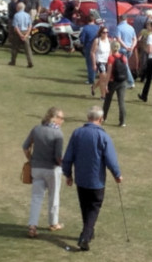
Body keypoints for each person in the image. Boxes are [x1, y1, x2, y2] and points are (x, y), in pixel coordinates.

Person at [61, 106, 122, 252]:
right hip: (97, 181)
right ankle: (85, 237)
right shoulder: (103, 136)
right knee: (94, 208)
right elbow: (111, 159)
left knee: (85, 207)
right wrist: (117, 174)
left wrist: (68, 174)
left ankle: (88, 232)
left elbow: (68, 157)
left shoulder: (77, 133)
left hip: (81, 179)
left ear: (88, 118)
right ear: (101, 119)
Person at [23, 107, 65, 238]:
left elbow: (25, 147)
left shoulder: (36, 129)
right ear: (55, 118)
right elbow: (58, 157)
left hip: (36, 169)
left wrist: (31, 159)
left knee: (36, 198)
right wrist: (64, 165)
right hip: (52, 170)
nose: (63, 121)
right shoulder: (58, 134)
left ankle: (32, 226)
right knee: (53, 196)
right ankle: (53, 223)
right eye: (62, 118)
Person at [103, 42, 129, 127]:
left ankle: (104, 117)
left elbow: (109, 72)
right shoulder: (124, 57)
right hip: (122, 81)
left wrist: (106, 84)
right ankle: (123, 121)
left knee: (107, 100)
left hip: (113, 81)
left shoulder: (111, 58)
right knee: (121, 101)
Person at [8, 1, 34, 67]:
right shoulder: (27, 15)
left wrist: (20, 35)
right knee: (27, 49)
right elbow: (30, 26)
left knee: (15, 48)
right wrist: (26, 34)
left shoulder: (16, 15)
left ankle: (13, 61)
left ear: (18, 8)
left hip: (18, 33)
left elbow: (16, 27)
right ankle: (30, 62)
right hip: (25, 32)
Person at [79, 16, 103, 85]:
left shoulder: (85, 28)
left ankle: (91, 79)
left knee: (90, 63)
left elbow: (82, 39)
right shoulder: (98, 27)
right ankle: (97, 76)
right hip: (98, 46)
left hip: (89, 47)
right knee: (97, 61)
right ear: (94, 20)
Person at [91, 26, 111, 99]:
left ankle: (93, 87)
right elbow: (92, 52)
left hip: (107, 61)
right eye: (104, 32)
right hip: (100, 61)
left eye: (107, 32)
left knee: (104, 78)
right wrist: (94, 64)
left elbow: (110, 52)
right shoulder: (97, 41)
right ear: (100, 33)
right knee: (103, 78)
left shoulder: (108, 40)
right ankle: (103, 96)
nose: (105, 34)